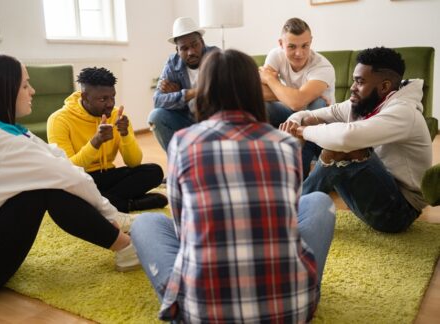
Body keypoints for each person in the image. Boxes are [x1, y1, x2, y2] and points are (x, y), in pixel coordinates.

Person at [132, 49, 336, 322]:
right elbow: (286, 221)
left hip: (202, 314)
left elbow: (184, 232)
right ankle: (301, 289)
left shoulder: (183, 142)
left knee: (145, 224)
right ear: (254, 90)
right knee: (319, 202)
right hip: (290, 313)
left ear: (204, 91)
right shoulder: (286, 145)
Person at [0, 52, 141, 297]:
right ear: (4, 90)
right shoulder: (1, 141)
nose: (33, 91)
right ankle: (126, 247)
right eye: (25, 85)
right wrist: (116, 217)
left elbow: (54, 156)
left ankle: (124, 225)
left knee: (51, 180)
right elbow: (70, 176)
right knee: (46, 189)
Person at [282, 47, 432, 233]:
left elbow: (346, 137)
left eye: (360, 82)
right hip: (376, 195)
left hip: (398, 213)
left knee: (340, 148)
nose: (353, 87)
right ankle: (292, 205)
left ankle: (287, 214)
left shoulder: (404, 112)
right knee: (321, 134)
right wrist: (294, 124)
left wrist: (303, 131)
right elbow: (311, 115)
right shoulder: (362, 103)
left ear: (384, 86)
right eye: (354, 80)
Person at [47, 67, 167, 212]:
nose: (110, 103)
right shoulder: (59, 120)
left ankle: (100, 205)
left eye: (112, 97)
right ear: (84, 97)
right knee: (61, 193)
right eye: (103, 99)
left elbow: (134, 162)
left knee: (154, 171)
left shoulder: (117, 115)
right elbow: (68, 170)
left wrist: (125, 135)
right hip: (79, 178)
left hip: (106, 175)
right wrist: (95, 142)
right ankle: (129, 204)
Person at [259, 17, 336, 179]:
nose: (299, 53)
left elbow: (296, 102)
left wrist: (272, 80)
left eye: (305, 46)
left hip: (319, 121)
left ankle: (298, 179)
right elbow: (259, 92)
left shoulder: (323, 67)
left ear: (311, 42)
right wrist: (296, 95)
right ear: (281, 44)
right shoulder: (275, 55)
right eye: (292, 46)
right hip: (290, 111)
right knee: (260, 105)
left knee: (317, 103)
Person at [148, 16, 217, 152]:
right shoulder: (172, 64)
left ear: (202, 42)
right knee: (156, 116)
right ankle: (177, 166)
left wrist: (177, 96)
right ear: (177, 50)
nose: (191, 52)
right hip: (187, 119)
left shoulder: (215, 56)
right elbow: (157, 100)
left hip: (213, 119)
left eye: (194, 45)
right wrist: (189, 93)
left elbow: (224, 93)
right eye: (184, 48)